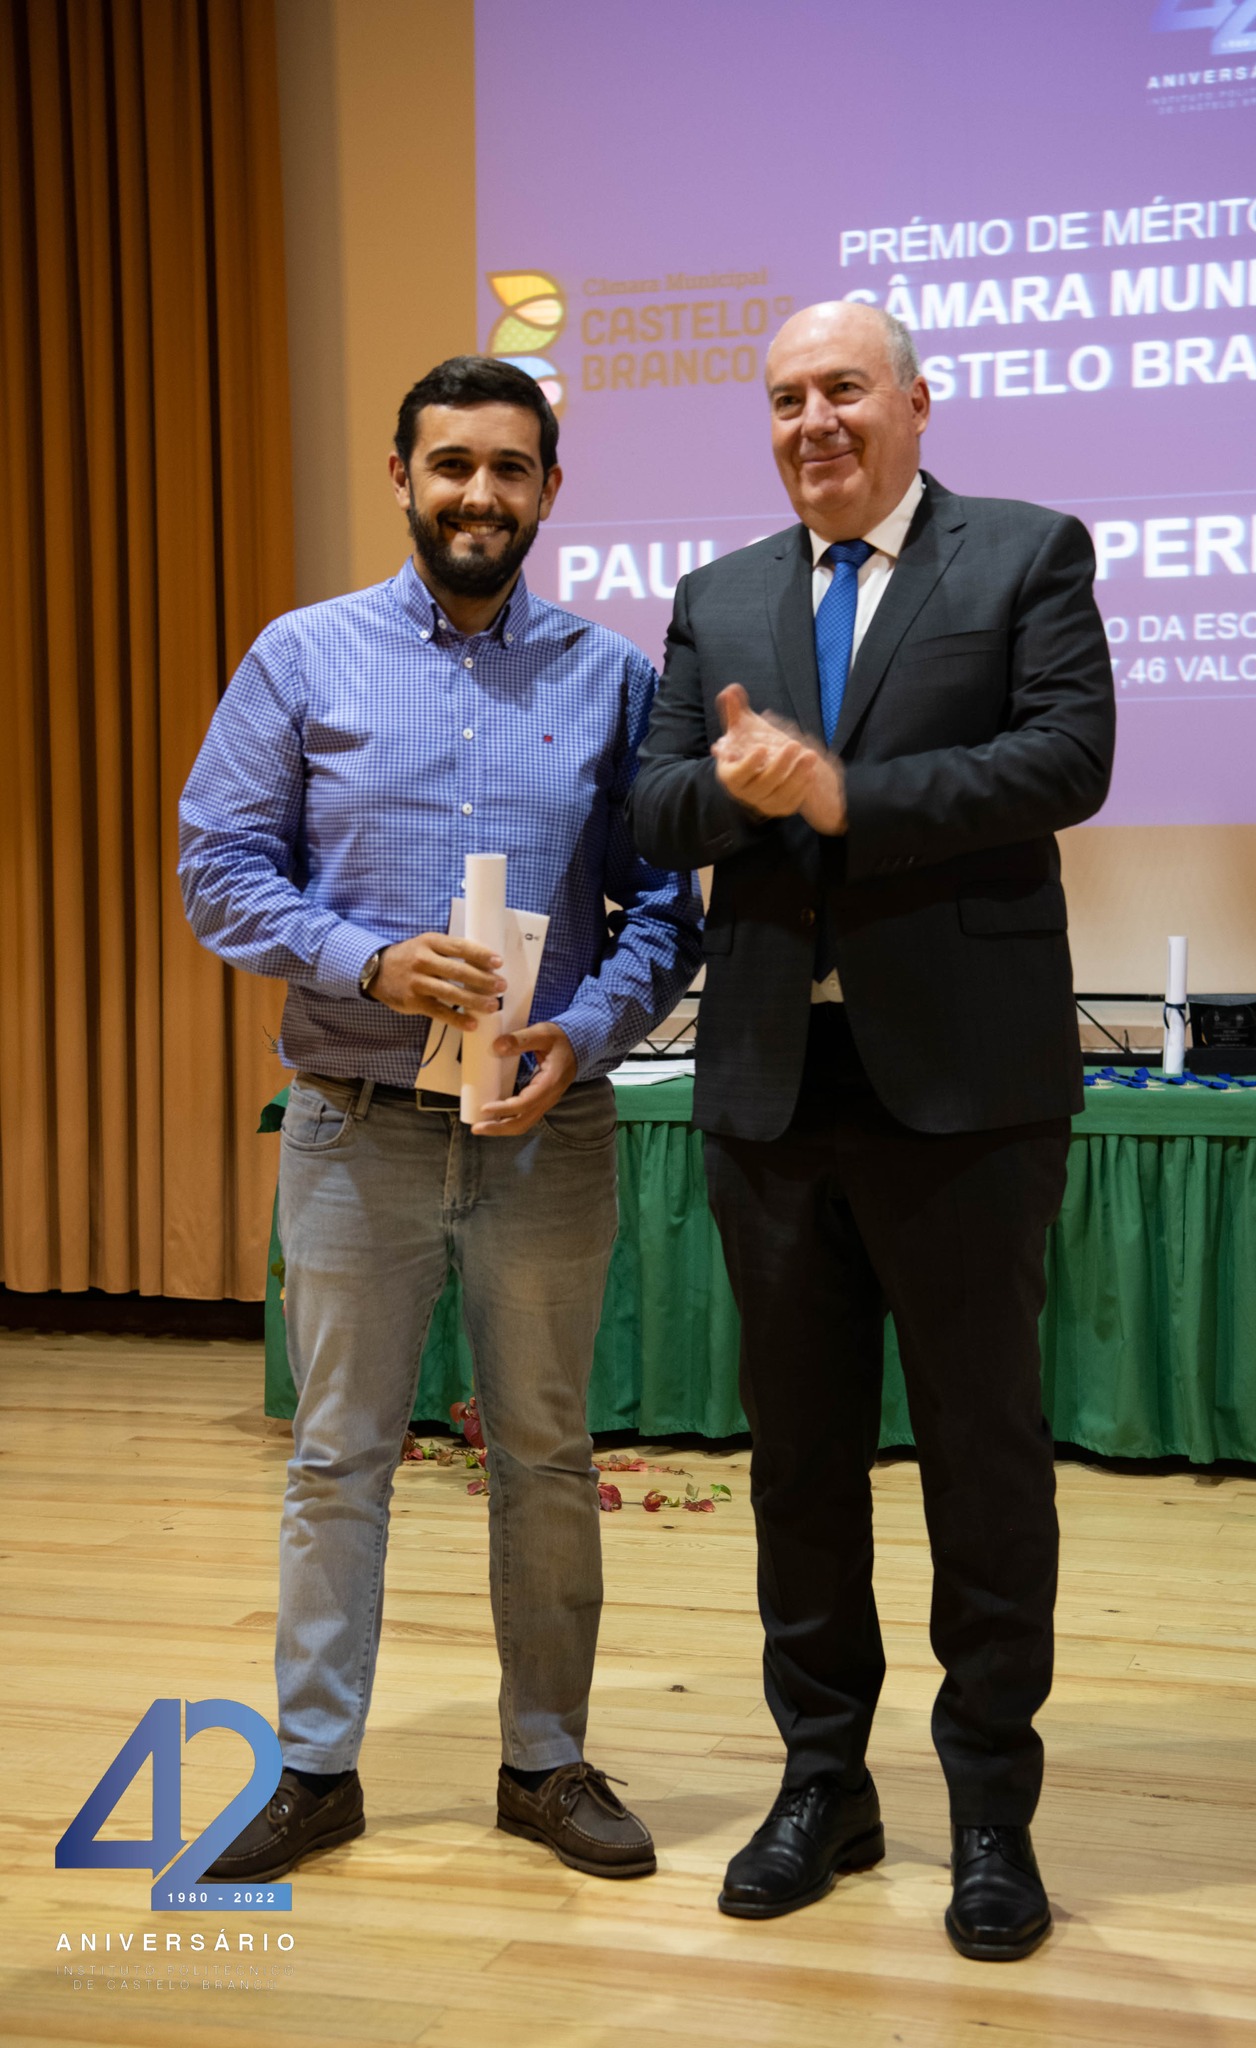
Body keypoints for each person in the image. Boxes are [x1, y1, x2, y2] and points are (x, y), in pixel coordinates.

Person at [628, 301, 1114, 1957]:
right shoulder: (720, 594)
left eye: (842, 389)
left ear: (915, 399)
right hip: (772, 1086)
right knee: (800, 1462)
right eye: (784, 399)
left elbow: (1065, 757)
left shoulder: (1026, 553)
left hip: (965, 1089)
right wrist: (743, 783)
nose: (812, 420)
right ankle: (820, 1782)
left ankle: (991, 1807)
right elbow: (654, 800)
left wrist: (839, 793)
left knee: (981, 1462)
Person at [179, 356, 701, 1883]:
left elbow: (664, 911)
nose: (480, 493)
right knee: (339, 1457)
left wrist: (587, 1029)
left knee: (542, 1451)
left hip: (547, 1131)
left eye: (511, 469)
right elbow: (219, 868)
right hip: (353, 1117)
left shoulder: (613, 678)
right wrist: (369, 959)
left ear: (549, 491)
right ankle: (316, 1768)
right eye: (452, 464)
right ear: (401, 478)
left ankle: (544, 1762)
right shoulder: (300, 657)